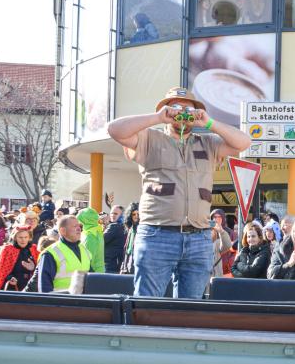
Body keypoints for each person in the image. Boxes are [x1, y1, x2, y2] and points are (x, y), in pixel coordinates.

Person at [107, 86, 250, 298]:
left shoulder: (209, 143)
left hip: (198, 238)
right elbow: (115, 129)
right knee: (147, 304)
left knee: (189, 310)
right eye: (174, 106)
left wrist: (208, 123)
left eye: (188, 109)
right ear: (165, 110)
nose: (181, 112)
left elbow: (244, 142)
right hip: (157, 236)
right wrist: (157, 118)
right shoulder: (148, 139)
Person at [35, 216, 93, 293]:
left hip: (82, 302)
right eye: (75, 226)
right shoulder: (50, 253)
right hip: (60, 302)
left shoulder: (84, 250)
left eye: (79, 226)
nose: (79, 229)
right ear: (62, 231)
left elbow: (92, 277)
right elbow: (44, 287)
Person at [0, 225, 39, 290]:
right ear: (15, 238)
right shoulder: (7, 250)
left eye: (26, 237)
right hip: (12, 286)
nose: (23, 240)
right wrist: (10, 277)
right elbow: (1, 271)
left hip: (30, 286)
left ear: (29, 238)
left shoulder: (34, 249)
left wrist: (33, 268)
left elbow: (40, 270)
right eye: (20, 237)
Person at [76, 208, 106, 274]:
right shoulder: (97, 231)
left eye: (81, 221)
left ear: (85, 221)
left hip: (93, 274)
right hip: (98, 272)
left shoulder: (90, 236)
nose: (79, 223)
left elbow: (88, 259)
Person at [103, 205, 126, 273]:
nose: (113, 215)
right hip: (118, 263)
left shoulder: (114, 226)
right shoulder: (124, 226)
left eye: (116, 214)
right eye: (112, 213)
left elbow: (101, 240)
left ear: (121, 215)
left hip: (110, 264)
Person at [120, 203, 139, 275]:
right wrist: (123, 267)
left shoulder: (142, 229)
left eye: (138, 214)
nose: (136, 216)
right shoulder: (130, 229)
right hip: (127, 266)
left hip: (136, 267)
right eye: (134, 214)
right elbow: (127, 250)